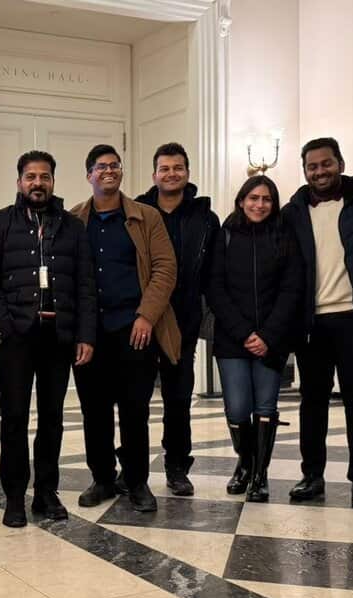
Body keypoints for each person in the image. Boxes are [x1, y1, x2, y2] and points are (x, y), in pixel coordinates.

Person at [0, 150, 98, 528]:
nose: (38, 183)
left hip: (58, 337)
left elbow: (86, 285)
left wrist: (85, 335)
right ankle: (15, 496)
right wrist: (6, 323)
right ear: (19, 182)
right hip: (17, 337)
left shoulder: (72, 226)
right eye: (30, 177)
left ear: (53, 182)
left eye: (44, 177)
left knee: (52, 419)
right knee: (13, 418)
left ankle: (46, 493)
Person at [281, 138, 353, 509]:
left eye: (326, 164)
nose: (320, 171)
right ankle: (312, 476)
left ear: (340, 163)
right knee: (312, 402)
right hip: (311, 322)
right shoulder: (293, 210)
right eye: (312, 166)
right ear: (305, 171)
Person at [71, 144, 181, 513]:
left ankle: (136, 481)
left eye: (115, 165)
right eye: (101, 166)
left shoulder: (146, 217)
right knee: (95, 411)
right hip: (90, 335)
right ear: (89, 174)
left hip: (135, 330)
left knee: (135, 410)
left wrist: (147, 316)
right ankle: (102, 477)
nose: (109, 171)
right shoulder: (75, 221)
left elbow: (166, 268)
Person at [206, 175, 303, 502]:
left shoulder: (284, 236)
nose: (259, 205)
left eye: (266, 199)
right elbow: (215, 288)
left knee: (265, 407)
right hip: (233, 338)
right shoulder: (226, 235)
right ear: (241, 200)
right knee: (237, 408)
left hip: (272, 340)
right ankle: (245, 462)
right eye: (253, 198)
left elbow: (291, 289)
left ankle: (259, 475)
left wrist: (267, 335)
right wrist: (245, 333)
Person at [135, 143, 219, 496]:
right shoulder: (136, 211)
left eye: (178, 168)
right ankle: (133, 466)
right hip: (140, 320)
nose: (171, 174)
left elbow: (214, 272)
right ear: (154, 174)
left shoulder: (205, 217)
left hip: (183, 321)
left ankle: (176, 466)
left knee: (178, 398)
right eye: (165, 168)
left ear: (187, 172)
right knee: (134, 399)